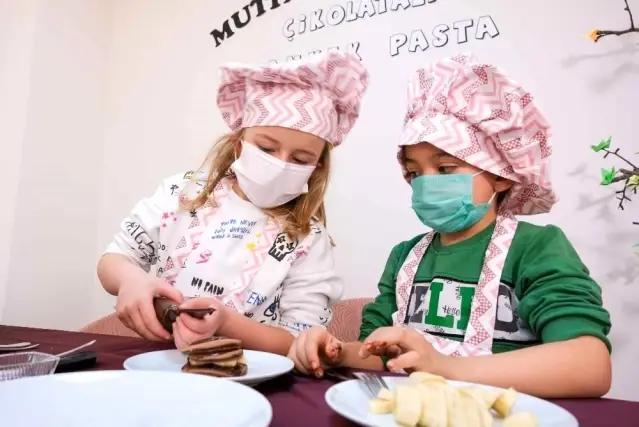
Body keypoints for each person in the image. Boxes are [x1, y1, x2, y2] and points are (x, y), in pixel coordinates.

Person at [288, 53, 612, 398]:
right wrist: (334, 351)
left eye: (444, 169)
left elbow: (589, 365)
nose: (425, 183)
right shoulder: (405, 257)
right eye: (414, 172)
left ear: (501, 176)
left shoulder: (536, 248)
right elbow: (374, 351)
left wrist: (446, 367)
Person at [97, 51, 369, 355]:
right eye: (266, 148)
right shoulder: (181, 192)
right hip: (156, 363)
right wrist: (131, 280)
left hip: (249, 378)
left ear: (316, 167)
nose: (280, 165)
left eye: (300, 159)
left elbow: (298, 342)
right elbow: (113, 259)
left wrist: (226, 323)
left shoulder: (309, 241)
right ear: (240, 144)